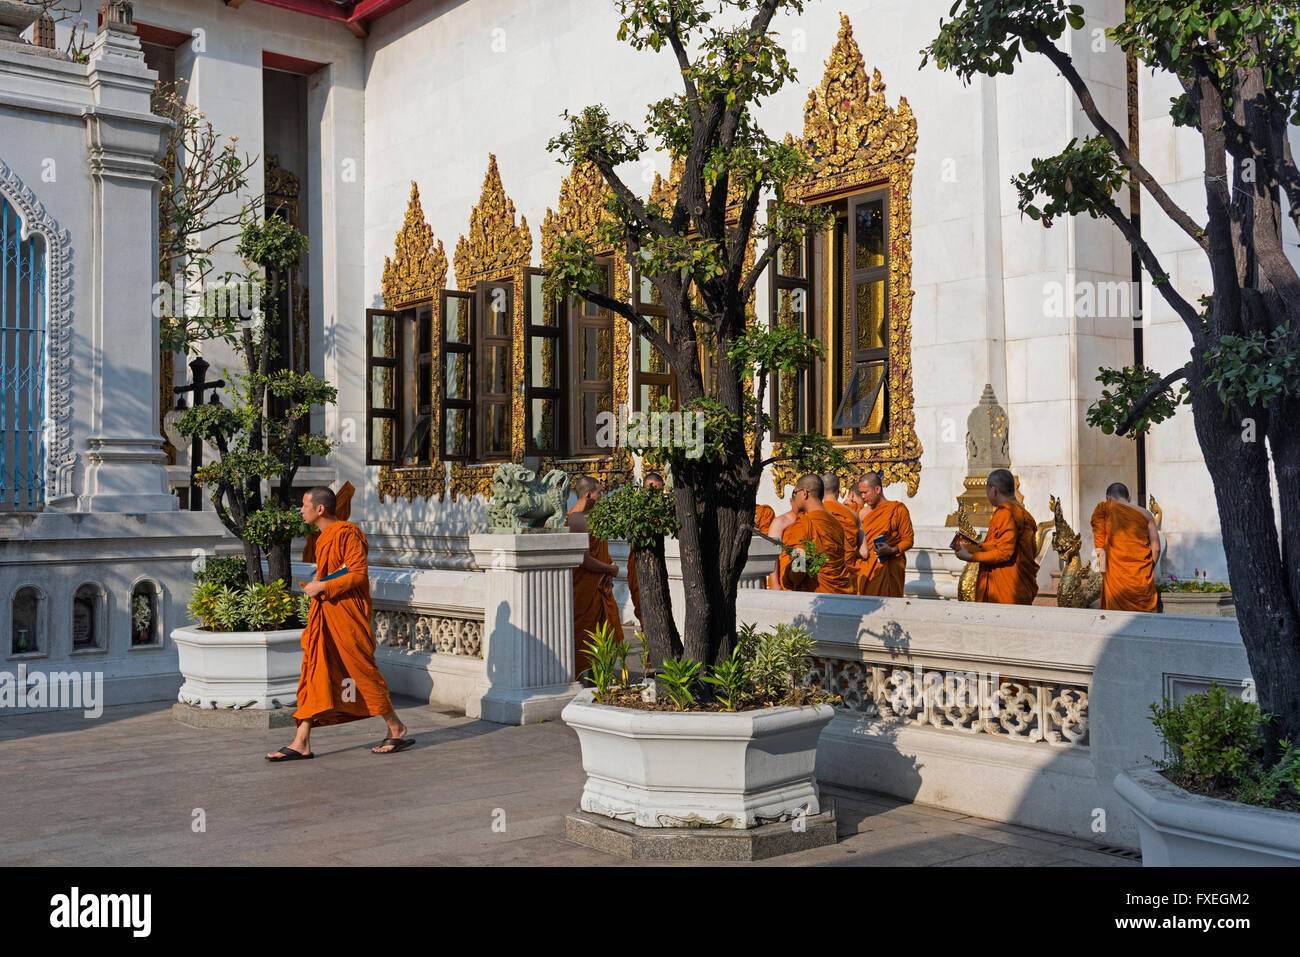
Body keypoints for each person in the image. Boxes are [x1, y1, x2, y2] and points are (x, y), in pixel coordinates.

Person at [267, 487, 412, 761]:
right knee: (314, 671)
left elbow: (358, 574)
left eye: (304, 505)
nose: (301, 509)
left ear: (319, 509)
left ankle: (396, 726)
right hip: (326, 615)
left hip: (346, 616)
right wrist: (319, 587)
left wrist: (322, 585)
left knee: (361, 672)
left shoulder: (347, 533)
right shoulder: (322, 538)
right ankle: (302, 740)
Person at [954, 469, 1039, 604]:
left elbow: (1005, 552)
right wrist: (976, 546)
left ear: (993, 490)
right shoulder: (1024, 514)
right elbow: (1001, 544)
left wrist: (971, 557)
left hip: (1006, 589)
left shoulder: (1007, 513)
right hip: (1016, 587)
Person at [568, 475, 621, 678]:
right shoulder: (576, 519)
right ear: (589, 494)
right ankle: (584, 681)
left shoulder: (591, 517)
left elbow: (599, 551)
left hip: (598, 587)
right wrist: (609, 569)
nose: (602, 496)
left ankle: (598, 678)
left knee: (603, 634)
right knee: (584, 635)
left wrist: (610, 564)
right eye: (599, 492)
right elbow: (584, 560)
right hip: (583, 590)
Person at [1090, 482, 1160, 612]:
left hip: (1116, 578)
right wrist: (1148, 570)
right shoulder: (1146, 514)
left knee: (1116, 620)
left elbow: (1100, 548)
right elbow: (1156, 548)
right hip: (1141, 575)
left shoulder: (1103, 510)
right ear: (1129, 498)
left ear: (1108, 498)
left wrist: (1104, 573)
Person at [778, 474, 851, 593]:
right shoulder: (836, 523)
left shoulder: (803, 524)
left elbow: (798, 568)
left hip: (815, 595)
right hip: (841, 592)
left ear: (804, 493)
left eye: (795, 493)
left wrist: (789, 579)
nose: (794, 497)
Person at [855, 471, 914, 597]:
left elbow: (908, 540)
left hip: (889, 569)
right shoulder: (861, 513)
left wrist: (892, 549)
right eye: (861, 493)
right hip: (865, 569)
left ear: (877, 489)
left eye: (865, 492)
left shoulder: (897, 509)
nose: (863, 496)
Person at [626, 471, 665, 627]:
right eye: (651, 490)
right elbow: (631, 537)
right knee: (642, 605)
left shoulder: (663, 510)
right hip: (639, 564)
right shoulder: (635, 510)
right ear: (643, 490)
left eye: (658, 491)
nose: (654, 495)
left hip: (657, 565)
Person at [821, 474, 864, 589]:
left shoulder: (811, 515)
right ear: (840, 489)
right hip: (847, 578)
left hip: (820, 578)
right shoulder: (853, 515)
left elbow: (800, 549)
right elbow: (864, 552)